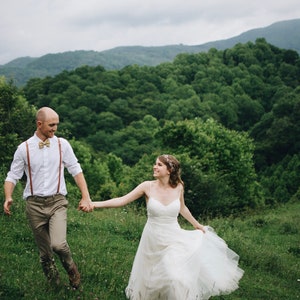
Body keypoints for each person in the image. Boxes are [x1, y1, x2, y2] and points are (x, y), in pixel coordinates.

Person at [90, 154, 244, 300]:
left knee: (174, 276)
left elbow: (183, 208)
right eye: (155, 164)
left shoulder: (179, 187)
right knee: (153, 277)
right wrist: (94, 204)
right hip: (152, 239)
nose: (154, 167)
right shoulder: (147, 186)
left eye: (159, 164)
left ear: (169, 170)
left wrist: (197, 225)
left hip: (173, 238)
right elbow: (121, 200)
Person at [4, 107, 93, 289]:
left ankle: (71, 269)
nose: (55, 129)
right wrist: (8, 196)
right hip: (34, 205)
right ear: (39, 124)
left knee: (58, 245)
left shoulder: (62, 145)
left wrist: (86, 196)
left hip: (57, 202)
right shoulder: (24, 148)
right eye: (51, 125)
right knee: (45, 254)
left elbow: (75, 169)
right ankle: (54, 287)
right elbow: (12, 176)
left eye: (56, 125)